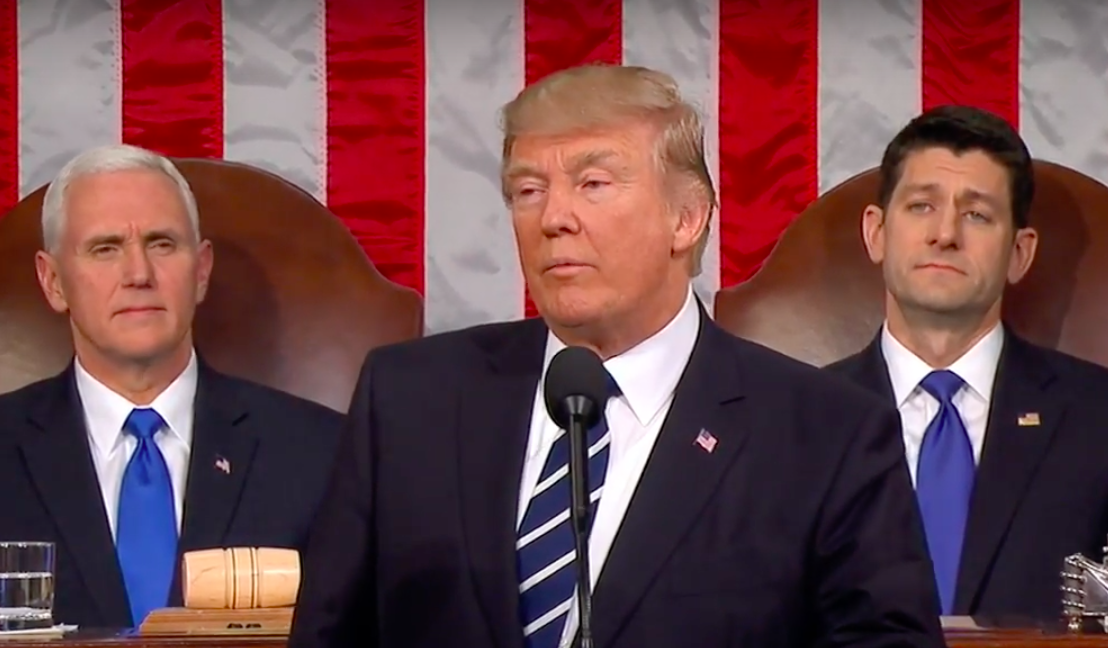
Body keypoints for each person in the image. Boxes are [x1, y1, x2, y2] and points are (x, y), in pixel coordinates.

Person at [287, 64, 944, 648]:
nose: (553, 218)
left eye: (593, 182)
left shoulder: (826, 434)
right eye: (528, 190)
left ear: (686, 219)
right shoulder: (408, 399)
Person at [0, 144, 344, 629]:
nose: (138, 274)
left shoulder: (322, 453)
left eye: (162, 244)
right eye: (105, 248)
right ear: (54, 281)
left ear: (201, 271)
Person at [828, 105, 1108, 620]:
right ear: (876, 232)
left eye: (977, 214)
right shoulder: (794, 420)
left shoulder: (1099, 418)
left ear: (1020, 253)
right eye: (920, 207)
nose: (946, 234)